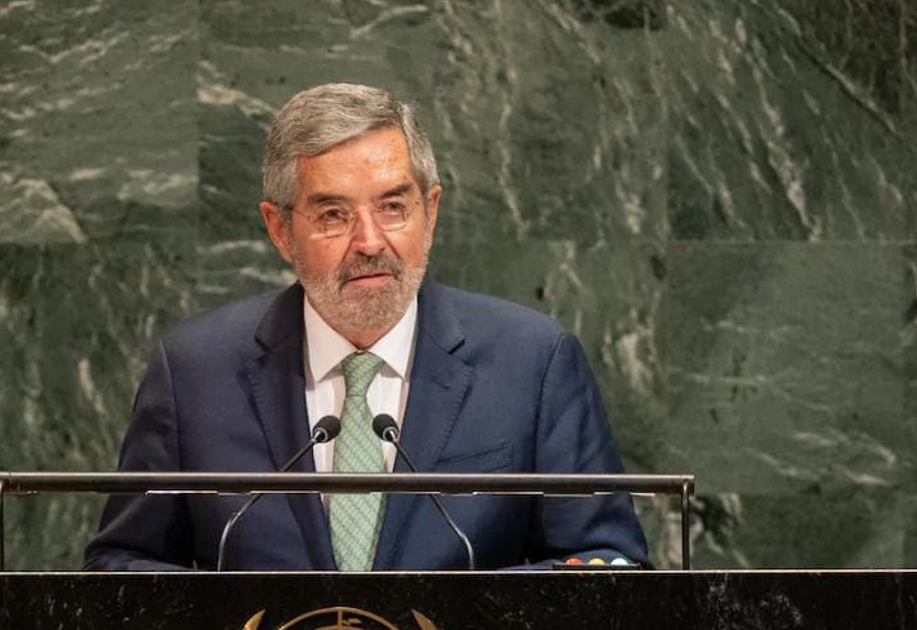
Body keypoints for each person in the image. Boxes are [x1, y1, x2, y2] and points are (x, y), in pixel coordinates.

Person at [84, 83, 649, 571]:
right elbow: (123, 565)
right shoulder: (194, 373)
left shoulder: (533, 363)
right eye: (333, 215)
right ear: (279, 229)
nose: (371, 242)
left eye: (394, 207)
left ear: (430, 212)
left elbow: (608, 563)